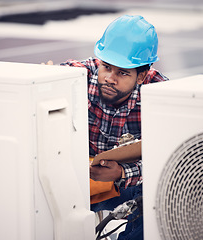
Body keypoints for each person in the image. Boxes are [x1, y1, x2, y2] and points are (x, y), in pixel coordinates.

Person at [49, 15, 168, 239]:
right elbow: (45, 77)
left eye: (123, 72)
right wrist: (44, 78)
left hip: (132, 185)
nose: (109, 78)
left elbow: (170, 157)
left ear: (142, 75)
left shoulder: (161, 95)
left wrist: (123, 172)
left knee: (161, 199)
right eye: (106, 67)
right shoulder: (79, 75)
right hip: (81, 182)